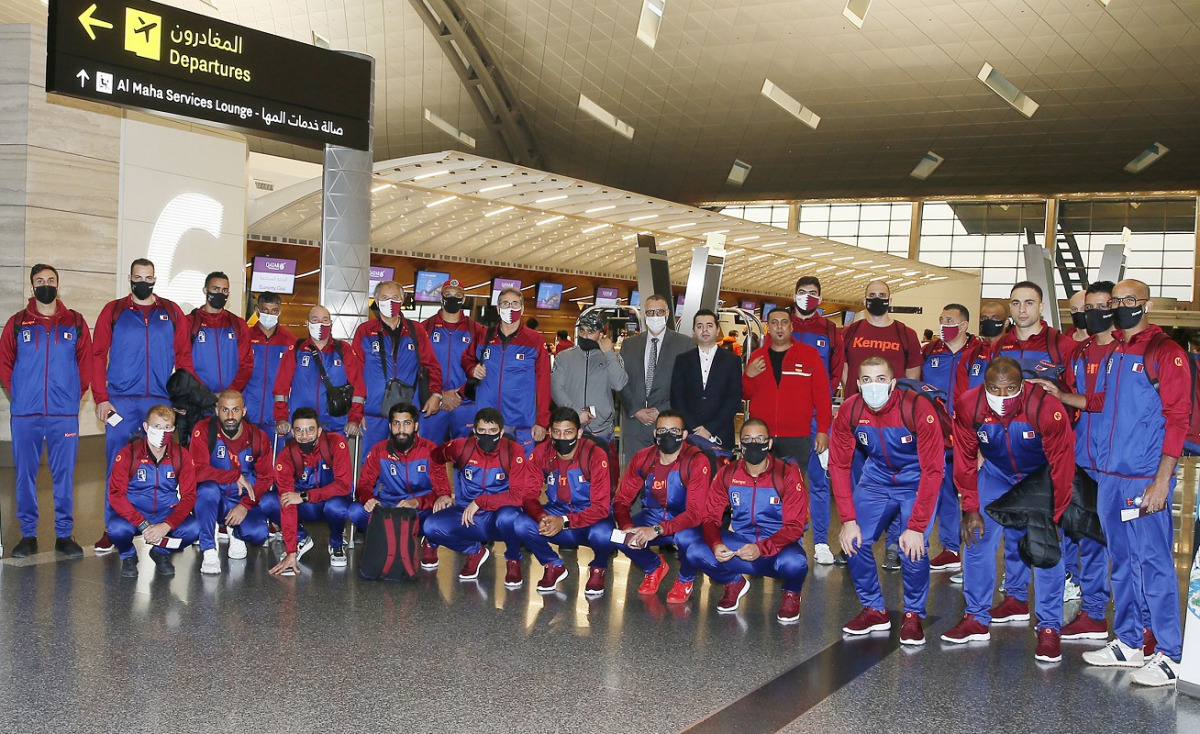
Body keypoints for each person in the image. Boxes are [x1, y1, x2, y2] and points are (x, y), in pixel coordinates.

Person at [1080, 279, 1188, 686]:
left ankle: (1169, 653)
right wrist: (1058, 394)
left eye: (1128, 301)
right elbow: (1102, 403)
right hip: (1110, 475)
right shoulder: (1116, 351)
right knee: (1121, 562)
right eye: (1116, 301)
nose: (1120, 307)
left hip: (1143, 477)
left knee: (1155, 564)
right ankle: (1128, 640)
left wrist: (1162, 481)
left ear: (1146, 304)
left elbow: (1178, 418)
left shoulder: (1165, 352)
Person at [941, 358, 1074, 663]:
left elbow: (1062, 464)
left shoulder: (1046, 408)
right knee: (976, 538)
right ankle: (975, 617)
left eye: (1010, 389)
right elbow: (963, 458)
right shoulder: (969, 405)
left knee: (1045, 548)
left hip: (1038, 477)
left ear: (1022, 386)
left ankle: (1049, 627)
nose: (1002, 396)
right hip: (997, 474)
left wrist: (1056, 513)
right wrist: (970, 506)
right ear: (983, 386)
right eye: (994, 389)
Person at [830, 357, 943, 645]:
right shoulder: (850, 409)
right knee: (853, 541)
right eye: (866, 380)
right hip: (877, 479)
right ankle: (875, 609)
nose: (873, 386)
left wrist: (917, 526)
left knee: (912, 548)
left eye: (881, 379)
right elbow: (840, 466)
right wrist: (848, 520)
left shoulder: (917, 408)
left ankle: (913, 613)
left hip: (916, 480)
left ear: (892, 383)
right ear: (857, 384)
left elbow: (933, 470)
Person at [91, 258, 195, 554]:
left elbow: (184, 356)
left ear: (155, 280)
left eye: (148, 278)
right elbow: (98, 355)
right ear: (130, 278)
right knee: (116, 467)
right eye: (138, 277)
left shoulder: (172, 311)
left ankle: (162, 525)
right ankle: (112, 529)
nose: (143, 282)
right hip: (121, 402)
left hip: (160, 402)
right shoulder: (114, 311)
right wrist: (101, 396)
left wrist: (182, 398)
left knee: (164, 467)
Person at [1033, 281, 1118, 642]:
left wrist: (1067, 396)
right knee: (1075, 528)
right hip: (1081, 453)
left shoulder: (1125, 352)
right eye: (1079, 310)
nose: (1086, 314)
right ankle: (1079, 594)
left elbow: (1100, 401)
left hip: (1115, 458)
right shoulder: (1080, 352)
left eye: (1095, 307)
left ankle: (1097, 612)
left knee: (1099, 537)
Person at [987, 281, 1078, 604]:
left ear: (1041, 307)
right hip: (1007, 451)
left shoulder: (1062, 345)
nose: (1022, 309)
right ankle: (1014, 595)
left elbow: (1077, 395)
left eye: (1029, 302)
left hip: (1047, 452)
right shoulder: (1000, 346)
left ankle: (1054, 604)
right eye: (1016, 303)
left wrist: (1059, 396)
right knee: (1013, 526)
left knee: (1049, 527)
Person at [0, 264, 91, 558]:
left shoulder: (75, 322)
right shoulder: (17, 323)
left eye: (51, 280)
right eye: (40, 281)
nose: (46, 285)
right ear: (32, 288)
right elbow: (5, 364)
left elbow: (86, 364)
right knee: (24, 475)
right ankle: (28, 535)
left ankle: (64, 535)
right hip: (26, 415)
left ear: (58, 286)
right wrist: (21, 396)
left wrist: (70, 397)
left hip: (63, 415)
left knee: (63, 475)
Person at [688, 419, 810, 620]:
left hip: (778, 547)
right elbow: (710, 517)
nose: (754, 443)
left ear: (769, 443)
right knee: (695, 551)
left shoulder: (786, 474)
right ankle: (734, 583)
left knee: (796, 563)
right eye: (747, 439)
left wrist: (762, 549)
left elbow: (795, 526)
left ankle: (791, 593)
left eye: (760, 439)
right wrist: (716, 544)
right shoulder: (728, 473)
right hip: (742, 544)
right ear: (740, 444)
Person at [742, 307, 832, 562]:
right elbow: (745, 394)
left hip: (798, 437)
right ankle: (760, 541)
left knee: (795, 493)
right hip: (763, 438)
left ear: (791, 327)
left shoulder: (809, 355)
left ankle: (796, 540)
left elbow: (823, 398)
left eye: (784, 322)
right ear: (768, 327)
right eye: (774, 322)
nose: (779, 327)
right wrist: (748, 376)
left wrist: (823, 430)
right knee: (761, 490)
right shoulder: (758, 357)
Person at [502, 407, 617, 595]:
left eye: (568, 432)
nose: (562, 438)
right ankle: (553, 565)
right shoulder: (541, 453)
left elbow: (601, 508)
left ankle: (599, 567)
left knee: (604, 533)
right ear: (550, 433)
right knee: (521, 523)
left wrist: (564, 521)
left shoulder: (595, 455)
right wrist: (541, 517)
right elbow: (529, 495)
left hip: (588, 518)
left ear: (579, 433)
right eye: (557, 432)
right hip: (556, 511)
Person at [423, 408, 541, 585]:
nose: (487, 436)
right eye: (482, 431)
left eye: (492, 431)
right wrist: (443, 493)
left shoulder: (512, 451)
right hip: (465, 513)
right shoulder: (461, 447)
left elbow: (518, 497)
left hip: (497, 516)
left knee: (511, 517)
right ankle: (474, 552)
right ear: (475, 431)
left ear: (501, 432)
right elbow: (434, 458)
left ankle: (513, 561)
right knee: (431, 526)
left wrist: (480, 502)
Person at [612, 410, 712, 602]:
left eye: (674, 431)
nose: (668, 436)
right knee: (619, 537)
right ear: (655, 434)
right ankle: (654, 567)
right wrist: (627, 527)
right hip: (654, 516)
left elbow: (695, 514)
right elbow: (622, 499)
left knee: (685, 539)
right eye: (662, 430)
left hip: (688, 521)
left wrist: (657, 530)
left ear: (684, 435)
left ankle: (685, 579)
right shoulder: (643, 458)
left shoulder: (697, 461)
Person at [919, 303, 986, 573]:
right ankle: (949, 549)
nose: (943, 324)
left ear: (964, 325)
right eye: (941, 318)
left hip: (971, 435)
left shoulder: (983, 353)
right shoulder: (929, 351)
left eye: (949, 319)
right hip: (936, 435)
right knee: (943, 491)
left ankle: (974, 558)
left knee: (974, 495)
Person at [349, 402, 452, 570]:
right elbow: (363, 485)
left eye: (407, 423)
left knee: (444, 506)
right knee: (355, 511)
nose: (401, 429)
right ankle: (387, 538)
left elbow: (443, 491)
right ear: (390, 426)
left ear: (416, 426)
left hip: (420, 510)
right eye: (396, 424)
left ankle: (430, 543)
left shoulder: (431, 450)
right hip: (391, 506)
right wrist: (368, 499)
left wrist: (417, 502)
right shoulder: (379, 450)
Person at [106, 405, 200, 577]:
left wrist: (167, 525)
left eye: (167, 427)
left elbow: (189, 496)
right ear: (146, 427)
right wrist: (142, 523)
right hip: (134, 513)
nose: (162, 432)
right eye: (157, 427)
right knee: (115, 528)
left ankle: (161, 553)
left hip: (166, 512)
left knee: (194, 529)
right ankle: (128, 556)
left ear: (173, 429)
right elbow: (115, 494)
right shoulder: (129, 454)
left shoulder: (181, 455)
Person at [790, 276, 844, 565]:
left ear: (820, 298)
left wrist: (823, 416)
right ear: (794, 295)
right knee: (787, 480)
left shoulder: (831, 331)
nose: (807, 297)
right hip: (784, 419)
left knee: (820, 481)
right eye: (802, 292)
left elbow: (835, 375)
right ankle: (793, 536)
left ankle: (821, 540)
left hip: (815, 419)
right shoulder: (782, 324)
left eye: (812, 293)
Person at [353, 280, 443, 453]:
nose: (390, 302)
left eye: (395, 297)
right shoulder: (364, 331)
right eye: (385, 298)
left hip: (407, 412)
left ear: (402, 300)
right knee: (371, 461)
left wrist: (436, 395)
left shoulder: (416, 330)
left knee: (408, 460)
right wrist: (357, 411)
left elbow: (432, 365)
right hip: (373, 411)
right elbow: (355, 372)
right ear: (376, 302)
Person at [190, 390, 274, 575]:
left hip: (241, 500)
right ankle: (209, 549)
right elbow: (196, 471)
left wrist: (245, 505)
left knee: (259, 533)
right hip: (214, 499)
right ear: (216, 410)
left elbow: (266, 478)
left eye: (235, 410)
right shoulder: (203, 430)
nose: (230, 416)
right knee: (207, 491)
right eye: (224, 410)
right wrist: (232, 476)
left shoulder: (258, 437)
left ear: (244, 411)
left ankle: (234, 531)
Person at [264, 407, 354, 575]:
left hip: (329, 502)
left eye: (310, 430)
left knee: (337, 507)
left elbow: (344, 485)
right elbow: (287, 502)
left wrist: (305, 496)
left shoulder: (335, 443)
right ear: (292, 431)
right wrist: (291, 550)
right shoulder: (286, 455)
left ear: (319, 431)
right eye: (299, 430)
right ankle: (301, 538)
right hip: (304, 507)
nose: (304, 436)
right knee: (268, 502)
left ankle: (336, 542)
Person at [462, 287, 550, 456]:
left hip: (522, 424)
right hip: (488, 424)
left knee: (520, 475)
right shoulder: (484, 336)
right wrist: (472, 369)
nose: (510, 307)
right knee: (488, 474)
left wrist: (542, 421)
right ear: (498, 308)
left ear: (522, 308)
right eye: (505, 303)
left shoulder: (535, 340)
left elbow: (544, 382)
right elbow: (466, 358)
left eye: (515, 303)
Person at [272, 305, 366, 437]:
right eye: (315, 320)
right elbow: (281, 388)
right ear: (307, 323)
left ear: (331, 323)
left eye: (325, 320)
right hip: (302, 426)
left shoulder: (344, 350)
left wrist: (354, 419)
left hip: (336, 424)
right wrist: (281, 417)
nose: (320, 324)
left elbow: (358, 388)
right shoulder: (296, 349)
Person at [619, 294, 692, 459]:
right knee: (635, 476)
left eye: (659, 312)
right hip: (635, 423)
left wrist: (661, 410)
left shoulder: (684, 344)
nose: (655, 317)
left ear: (667, 314)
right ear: (645, 315)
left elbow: (686, 385)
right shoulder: (629, 345)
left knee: (665, 476)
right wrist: (636, 410)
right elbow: (621, 382)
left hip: (667, 423)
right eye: (650, 313)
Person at [421, 279, 485, 444]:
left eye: (457, 295)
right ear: (441, 297)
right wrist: (438, 395)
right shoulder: (425, 328)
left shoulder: (476, 330)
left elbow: (484, 367)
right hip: (432, 403)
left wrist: (459, 394)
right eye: (448, 295)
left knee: (465, 457)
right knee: (428, 456)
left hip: (464, 404)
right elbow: (418, 367)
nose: (452, 299)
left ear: (464, 300)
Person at [670, 308, 743, 452]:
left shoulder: (732, 361)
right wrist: (695, 429)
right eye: (699, 326)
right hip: (689, 433)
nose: (704, 329)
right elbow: (676, 398)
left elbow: (733, 399)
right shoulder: (682, 360)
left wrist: (709, 429)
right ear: (694, 331)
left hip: (720, 433)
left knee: (720, 474)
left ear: (717, 330)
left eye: (709, 325)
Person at [550, 312, 628, 443]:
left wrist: (609, 354)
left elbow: (619, 384)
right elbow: (556, 388)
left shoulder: (611, 358)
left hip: (601, 430)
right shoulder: (564, 357)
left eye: (591, 332)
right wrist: (577, 413)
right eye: (582, 330)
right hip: (570, 426)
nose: (585, 335)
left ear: (601, 335)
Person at [841, 280, 922, 395]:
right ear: (865, 301)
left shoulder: (907, 334)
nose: (877, 299)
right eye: (872, 295)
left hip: (895, 408)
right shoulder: (849, 333)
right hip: (857, 406)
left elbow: (912, 378)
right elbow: (844, 371)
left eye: (882, 295)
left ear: (889, 301)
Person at [245, 292, 296, 450]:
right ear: (257, 310)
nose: (270, 314)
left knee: (276, 465)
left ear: (280, 312)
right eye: (265, 310)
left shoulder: (290, 341)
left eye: (274, 311)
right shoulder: (244, 337)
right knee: (246, 462)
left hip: (276, 416)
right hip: (247, 414)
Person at [187, 271, 253, 395]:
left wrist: (229, 393)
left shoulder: (238, 324)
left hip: (229, 401)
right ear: (205, 290)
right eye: (216, 289)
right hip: (198, 399)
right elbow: (184, 362)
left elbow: (246, 364)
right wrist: (203, 394)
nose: (220, 294)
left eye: (224, 290)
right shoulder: (189, 323)